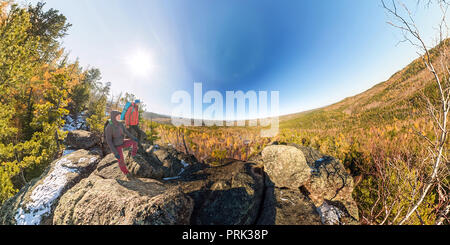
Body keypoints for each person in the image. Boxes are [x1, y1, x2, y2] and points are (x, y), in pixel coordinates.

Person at [105, 111, 139, 179]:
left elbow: (126, 132)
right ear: (114, 116)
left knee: (134, 142)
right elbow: (109, 141)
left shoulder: (120, 124)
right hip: (116, 146)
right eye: (118, 116)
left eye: (120, 116)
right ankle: (126, 172)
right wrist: (115, 153)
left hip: (122, 142)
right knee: (121, 160)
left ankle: (133, 155)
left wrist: (133, 138)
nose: (120, 117)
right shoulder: (109, 127)